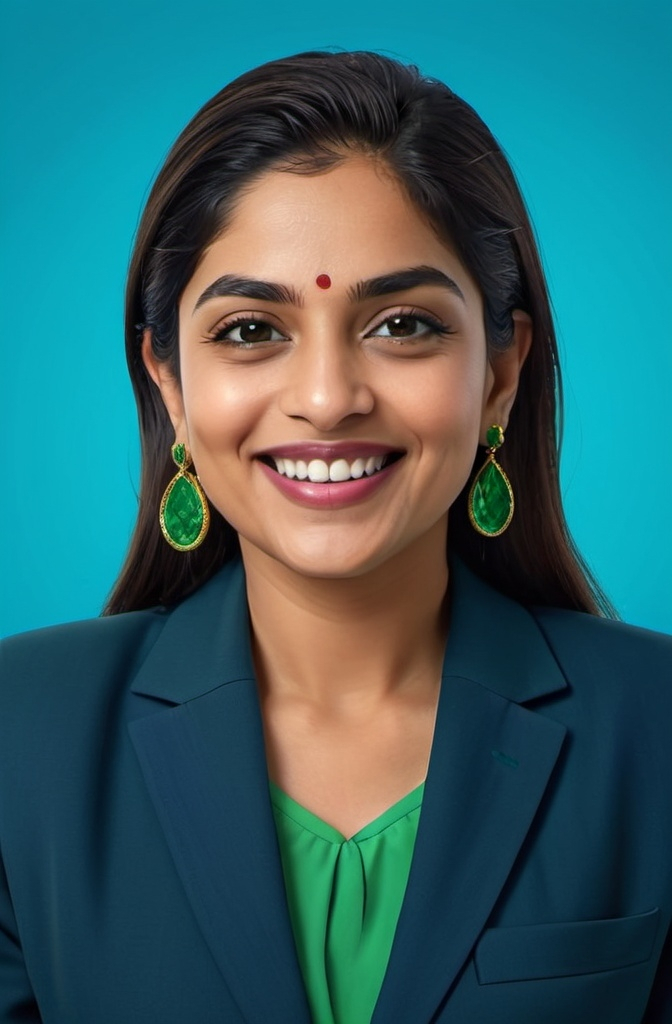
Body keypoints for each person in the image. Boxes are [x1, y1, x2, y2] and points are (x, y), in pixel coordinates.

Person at [0, 50, 669, 1024]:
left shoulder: (653, 733)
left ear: (500, 371)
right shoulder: (21, 738)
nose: (326, 398)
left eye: (401, 324)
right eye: (248, 330)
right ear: (168, 382)